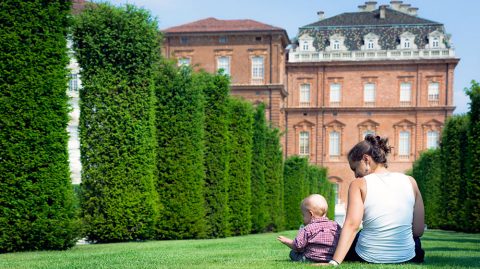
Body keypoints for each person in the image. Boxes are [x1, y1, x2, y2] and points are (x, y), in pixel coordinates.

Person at [326, 134, 425, 266]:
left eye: (355, 168)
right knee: (416, 242)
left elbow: (352, 225)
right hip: (409, 256)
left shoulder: (358, 184)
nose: (355, 174)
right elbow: (418, 231)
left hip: (367, 256)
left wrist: (334, 262)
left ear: (366, 159)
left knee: (345, 239)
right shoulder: (411, 182)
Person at [277, 194, 341, 263]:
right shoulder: (335, 225)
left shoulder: (308, 228)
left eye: (303, 215)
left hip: (310, 258)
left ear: (311, 214)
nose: (302, 218)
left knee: (293, 253)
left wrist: (286, 241)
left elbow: (297, 246)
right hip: (330, 257)